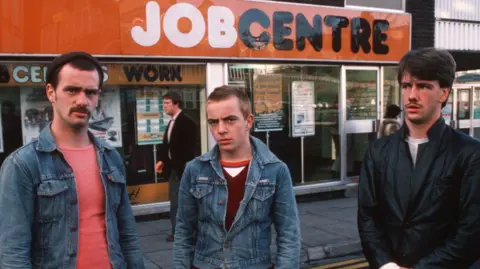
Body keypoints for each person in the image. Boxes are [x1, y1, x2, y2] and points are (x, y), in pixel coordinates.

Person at [0, 51, 145, 268]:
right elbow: (13, 252)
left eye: (90, 92)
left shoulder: (110, 158)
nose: (82, 100)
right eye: (72, 90)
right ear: (51, 92)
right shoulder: (23, 164)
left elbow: (127, 234)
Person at [357, 47, 480, 269]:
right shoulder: (378, 152)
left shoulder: (470, 153)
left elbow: (471, 232)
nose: (412, 95)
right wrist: (386, 265)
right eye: (406, 86)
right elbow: (368, 219)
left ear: (443, 93)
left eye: (423, 86)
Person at [173, 86, 301, 269]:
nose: (221, 129)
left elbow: (289, 235)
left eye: (230, 119)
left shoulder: (275, 170)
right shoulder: (195, 170)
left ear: (249, 121)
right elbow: (183, 232)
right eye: (213, 122)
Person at [154, 91, 197, 242]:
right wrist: (162, 160)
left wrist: (186, 166)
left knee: (184, 203)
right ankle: (177, 231)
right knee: (175, 202)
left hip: (184, 170)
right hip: (174, 169)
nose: (164, 106)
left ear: (176, 104)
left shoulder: (186, 122)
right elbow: (167, 146)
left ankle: (185, 232)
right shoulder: (171, 122)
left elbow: (191, 148)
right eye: (163, 103)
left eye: (167, 103)